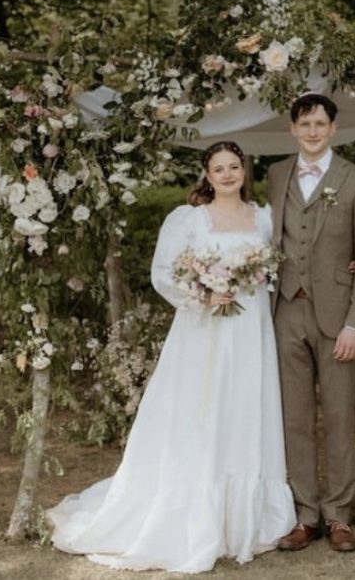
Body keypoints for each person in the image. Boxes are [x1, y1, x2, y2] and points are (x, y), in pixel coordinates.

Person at [45, 141, 295, 573]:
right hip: (204, 332)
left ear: (244, 170)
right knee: (200, 412)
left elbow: (282, 264)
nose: (228, 174)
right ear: (206, 174)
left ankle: (245, 518)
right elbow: (164, 274)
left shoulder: (265, 219)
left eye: (234, 166)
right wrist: (203, 293)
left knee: (243, 410)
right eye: (219, 168)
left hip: (250, 331)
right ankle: (194, 515)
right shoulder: (188, 220)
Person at [268, 92, 355, 553]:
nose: (312, 131)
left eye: (320, 123)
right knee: (293, 418)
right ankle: (305, 514)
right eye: (304, 124)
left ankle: (339, 515)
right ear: (293, 129)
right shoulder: (276, 176)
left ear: (333, 128)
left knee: (336, 416)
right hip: (285, 310)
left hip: (337, 316)